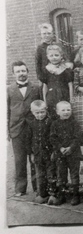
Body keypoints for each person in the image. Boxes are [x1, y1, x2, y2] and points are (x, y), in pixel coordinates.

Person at [7, 61, 40, 196]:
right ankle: (20, 188)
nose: (21, 74)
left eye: (23, 71)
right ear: (13, 74)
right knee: (19, 160)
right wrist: (6, 130)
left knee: (35, 158)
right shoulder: (8, 90)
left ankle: (38, 187)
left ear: (27, 71)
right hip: (17, 128)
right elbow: (5, 111)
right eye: (18, 72)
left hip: (33, 128)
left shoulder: (36, 88)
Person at [49, 101, 83, 206]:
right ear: (57, 112)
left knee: (74, 175)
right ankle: (62, 195)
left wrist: (70, 148)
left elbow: (78, 137)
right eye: (63, 110)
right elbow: (52, 138)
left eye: (68, 110)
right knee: (61, 175)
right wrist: (60, 148)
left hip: (73, 153)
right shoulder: (55, 124)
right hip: (61, 154)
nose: (66, 112)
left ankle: (75, 195)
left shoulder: (75, 123)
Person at [26, 100, 56, 204]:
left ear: (46, 110)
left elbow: (54, 138)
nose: (40, 115)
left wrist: (54, 152)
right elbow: (28, 139)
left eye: (42, 112)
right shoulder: (31, 123)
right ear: (32, 112)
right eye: (37, 113)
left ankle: (53, 195)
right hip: (37, 154)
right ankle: (42, 194)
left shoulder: (51, 122)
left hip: (49, 153)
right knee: (40, 175)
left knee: (51, 174)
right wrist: (31, 154)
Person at [42, 44, 74, 119]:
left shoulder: (66, 69)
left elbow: (70, 85)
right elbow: (44, 87)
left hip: (64, 95)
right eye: (51, 55)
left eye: (56, 55)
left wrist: (71, 100)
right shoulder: (46, 70)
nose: (54, 57)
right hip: (51, 96)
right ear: (47, 57)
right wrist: (45, 101)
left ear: (61, 56)